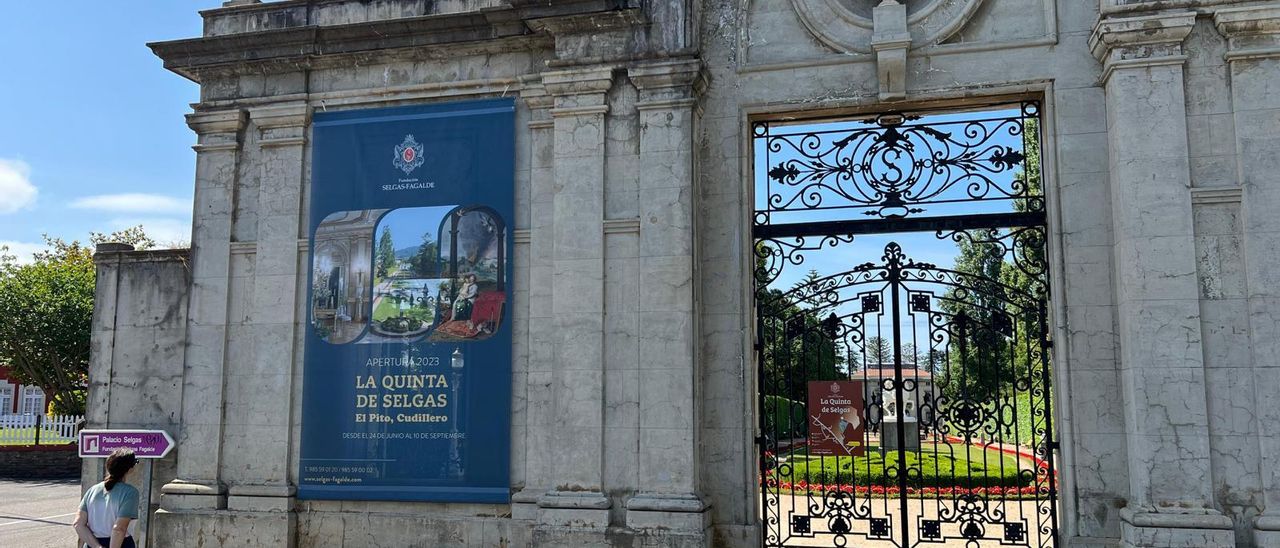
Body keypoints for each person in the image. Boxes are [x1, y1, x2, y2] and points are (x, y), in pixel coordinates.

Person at [73, 449, 139, 548]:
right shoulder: (130, 493)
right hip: (121, 543)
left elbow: (78, 524)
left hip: (92, 543)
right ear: (130, 469)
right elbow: (119, 529)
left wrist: (96, 546)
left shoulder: (92, 490)